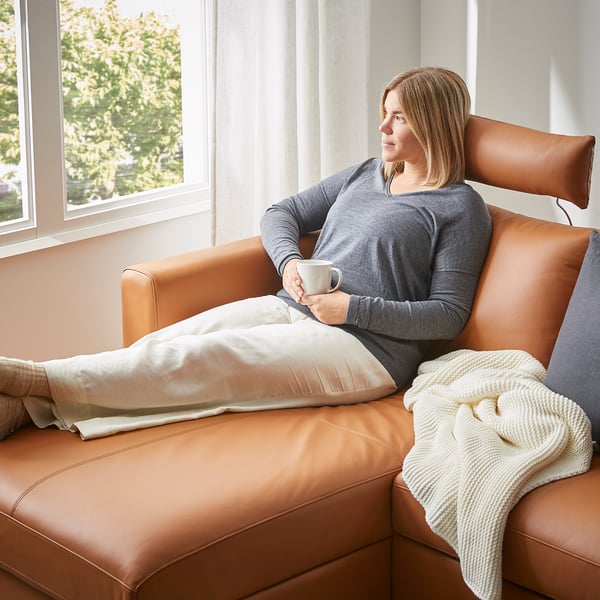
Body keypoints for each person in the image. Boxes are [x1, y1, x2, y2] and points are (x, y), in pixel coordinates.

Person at [0, 66, 492, 441]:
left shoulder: (459, 208)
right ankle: (25, 410)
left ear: (430, 123)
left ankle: (32, 375)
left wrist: (352, 309)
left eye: (398, 117)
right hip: (290, 305)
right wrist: (290, 263)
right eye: (383, 112)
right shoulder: (368, 173)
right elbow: (282, 213)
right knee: (169, 341)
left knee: (210, 359)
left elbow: (448, 315)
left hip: (366, 350)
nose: (383, 127)